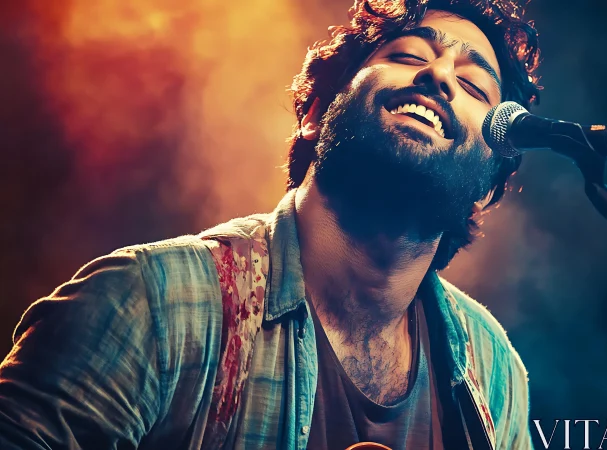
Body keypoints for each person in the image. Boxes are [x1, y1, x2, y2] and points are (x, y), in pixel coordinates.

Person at [0, 0, 541, 448]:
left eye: (474, 88)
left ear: (488, 189)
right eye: (407, 54)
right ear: (316, 112)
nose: (439, 75)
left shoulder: (493, 372)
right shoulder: (148, 303)